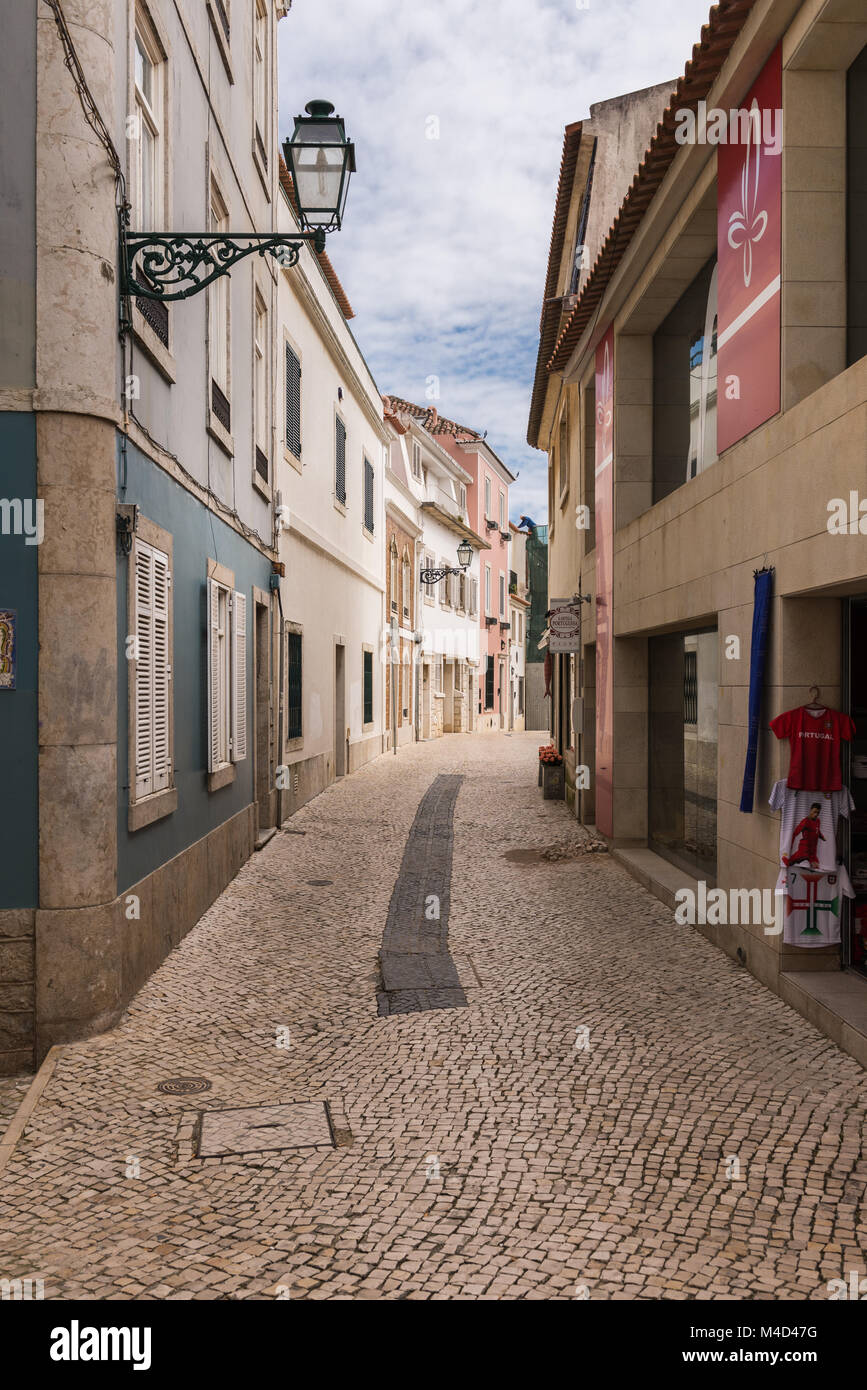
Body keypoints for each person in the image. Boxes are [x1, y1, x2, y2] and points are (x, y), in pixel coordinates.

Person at [783, 803, 825, 868]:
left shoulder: (818, 821)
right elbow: (795, 833)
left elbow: (817, 831)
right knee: (795, 859)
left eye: (818, 812)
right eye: (814, 812)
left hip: (813, 849)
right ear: (811, 810)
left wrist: (822, 837)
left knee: (816, 866)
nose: (816, 814)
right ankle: (789, 862)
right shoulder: (805, 821)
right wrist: (790, 845)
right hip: (805, 848)